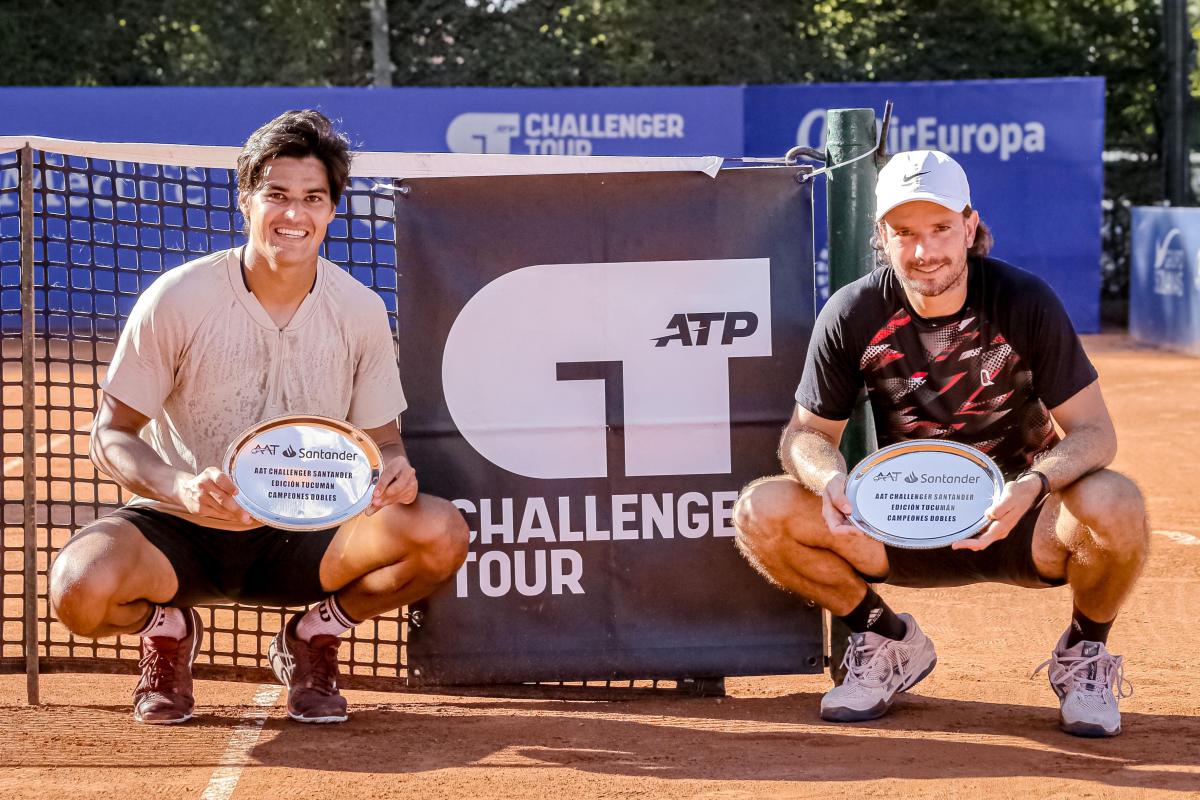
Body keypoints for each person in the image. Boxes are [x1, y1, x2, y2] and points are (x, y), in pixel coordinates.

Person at [49, 110, 469, 725]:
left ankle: (314, 633)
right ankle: (166, 629)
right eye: (276, 195)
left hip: (310, 532)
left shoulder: (359, 310)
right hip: (179, 530)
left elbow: (384, 439)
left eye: (312, 198)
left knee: (442, 534)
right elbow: (109, 434)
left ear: (331, 210)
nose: (293, 214)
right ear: (246, 200)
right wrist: (181, 487)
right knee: (77, 594)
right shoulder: (178, 297)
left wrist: (397, 468)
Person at [732, 150, 1147, 737]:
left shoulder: (1024, 302)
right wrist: (831, 480)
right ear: (882, 235)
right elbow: (806, 436)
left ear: (970, 226)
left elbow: (1095, 432)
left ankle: (1084, 654)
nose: (925, 251)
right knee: (761, 510)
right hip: (899, 523)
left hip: (1022, 523)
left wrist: (1033, 485)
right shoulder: (853, 313)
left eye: (941, 229)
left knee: (1116, 501)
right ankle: (883, 638)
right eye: (904, 233)